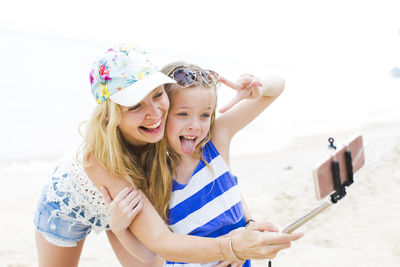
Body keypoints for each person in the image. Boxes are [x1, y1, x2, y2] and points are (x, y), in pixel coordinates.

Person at [34, 44, 302, 267]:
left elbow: (220, 182)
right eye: (136, 105)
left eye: (158, 95)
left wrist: (257, 86)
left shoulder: (168, 144)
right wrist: (232, 246)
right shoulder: (101, 159)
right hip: (70, 204)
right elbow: (161, 243)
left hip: (126, 204)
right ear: (112, 115)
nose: (155, 113)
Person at [103, 61, 291, 267]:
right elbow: (149, 253)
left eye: (205, 115)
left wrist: (259, 86)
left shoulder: (216, 143)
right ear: (162, 114)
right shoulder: (151, 175)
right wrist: (119, 229)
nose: (195, 125)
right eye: (182, 114)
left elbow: (278, 86)